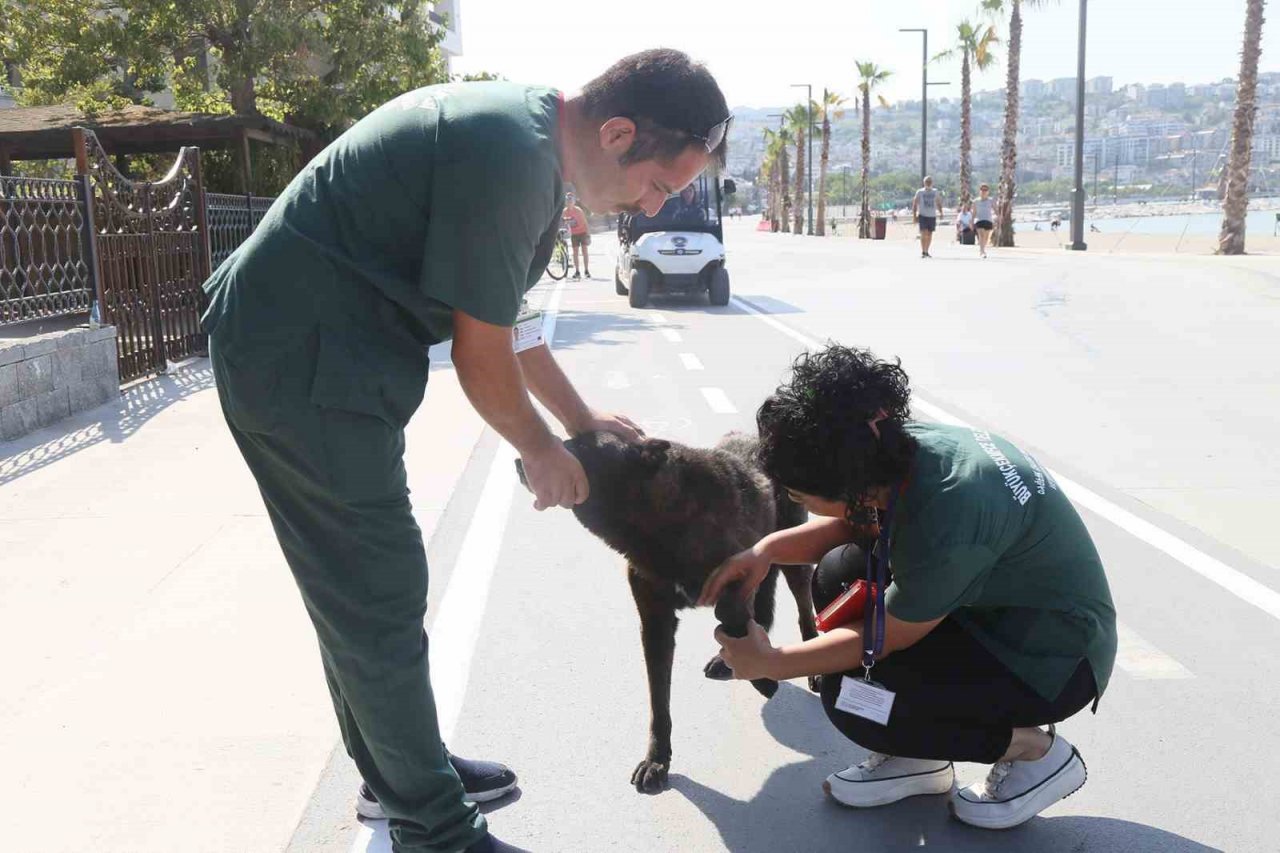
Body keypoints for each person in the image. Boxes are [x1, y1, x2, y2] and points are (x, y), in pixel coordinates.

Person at [202, 48, 730, 853]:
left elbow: (509, 321)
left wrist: (582, 418)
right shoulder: (512, 159)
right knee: (375, 591)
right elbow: (480, 356)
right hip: (299, 357)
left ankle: (402, 773)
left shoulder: (531, 149)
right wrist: (542, 449)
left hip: (318, 350)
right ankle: (438, 829)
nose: (653, 207)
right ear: (619, 134)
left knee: (365, 592)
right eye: (659, 185)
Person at [700, 345, 1116, 831]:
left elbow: (885, 637)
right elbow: (858, 523)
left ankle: (1035, 752)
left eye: (796, 494)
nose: (795, 502)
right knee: (840, 571)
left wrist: (769, 662)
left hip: (1052, 662)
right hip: (996, 614)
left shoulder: (951, 512)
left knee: (854, 701)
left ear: (842, 482)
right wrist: (765, 552)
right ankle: (920, 758)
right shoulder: (893, 449)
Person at [562, 191, 592, 279]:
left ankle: (586, 270)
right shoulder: (565, 212)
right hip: (574, 234)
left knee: (584, 251)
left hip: (583, 232)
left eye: (571, 200)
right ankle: (577, 271)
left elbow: (585, 223)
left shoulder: (578, 210)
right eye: (568, 201)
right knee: (575, 253)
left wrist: (588, 235)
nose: (569, 202)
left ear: (574, 202)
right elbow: (563, 222)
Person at [911, 177, 943, 258]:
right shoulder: (920, 192)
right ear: (924, 183)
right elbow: (915, 204)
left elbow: (938, 202)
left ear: (932, 183)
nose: (928, 183)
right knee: (923, 233)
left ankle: (927, 251)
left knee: (929, 234)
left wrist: (941, 212)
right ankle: (923, 251)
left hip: (932, 216)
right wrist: (914, 216)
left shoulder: (935, 192)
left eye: (930, 182)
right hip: (923, 215)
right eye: (927, 182)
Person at [974, 183, 996, 258]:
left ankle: (983, 249)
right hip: (979, 220)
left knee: (986, 237)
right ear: (980, 191)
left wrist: (999, 216)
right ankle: (982, 251)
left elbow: (995, 209)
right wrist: (971, 221)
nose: (984, 191)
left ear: (988, 192)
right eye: (982, 190)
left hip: (988, 220)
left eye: (985, 190)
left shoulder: (991, 200)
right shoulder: (976, 201)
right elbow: (974, 212)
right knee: (981, 234)